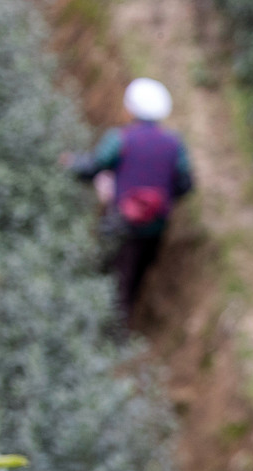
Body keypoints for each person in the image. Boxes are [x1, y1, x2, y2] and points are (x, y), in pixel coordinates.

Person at [66, 77, 194, 327]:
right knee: (134, 279)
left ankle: (108, 331)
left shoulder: (121, 139)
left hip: (122, 223)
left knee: (114, 276)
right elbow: (186, 184)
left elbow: (94, 166)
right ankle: (121, 323)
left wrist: (71, 164)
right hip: (155, 227)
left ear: (131, 109)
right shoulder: (174, 144)